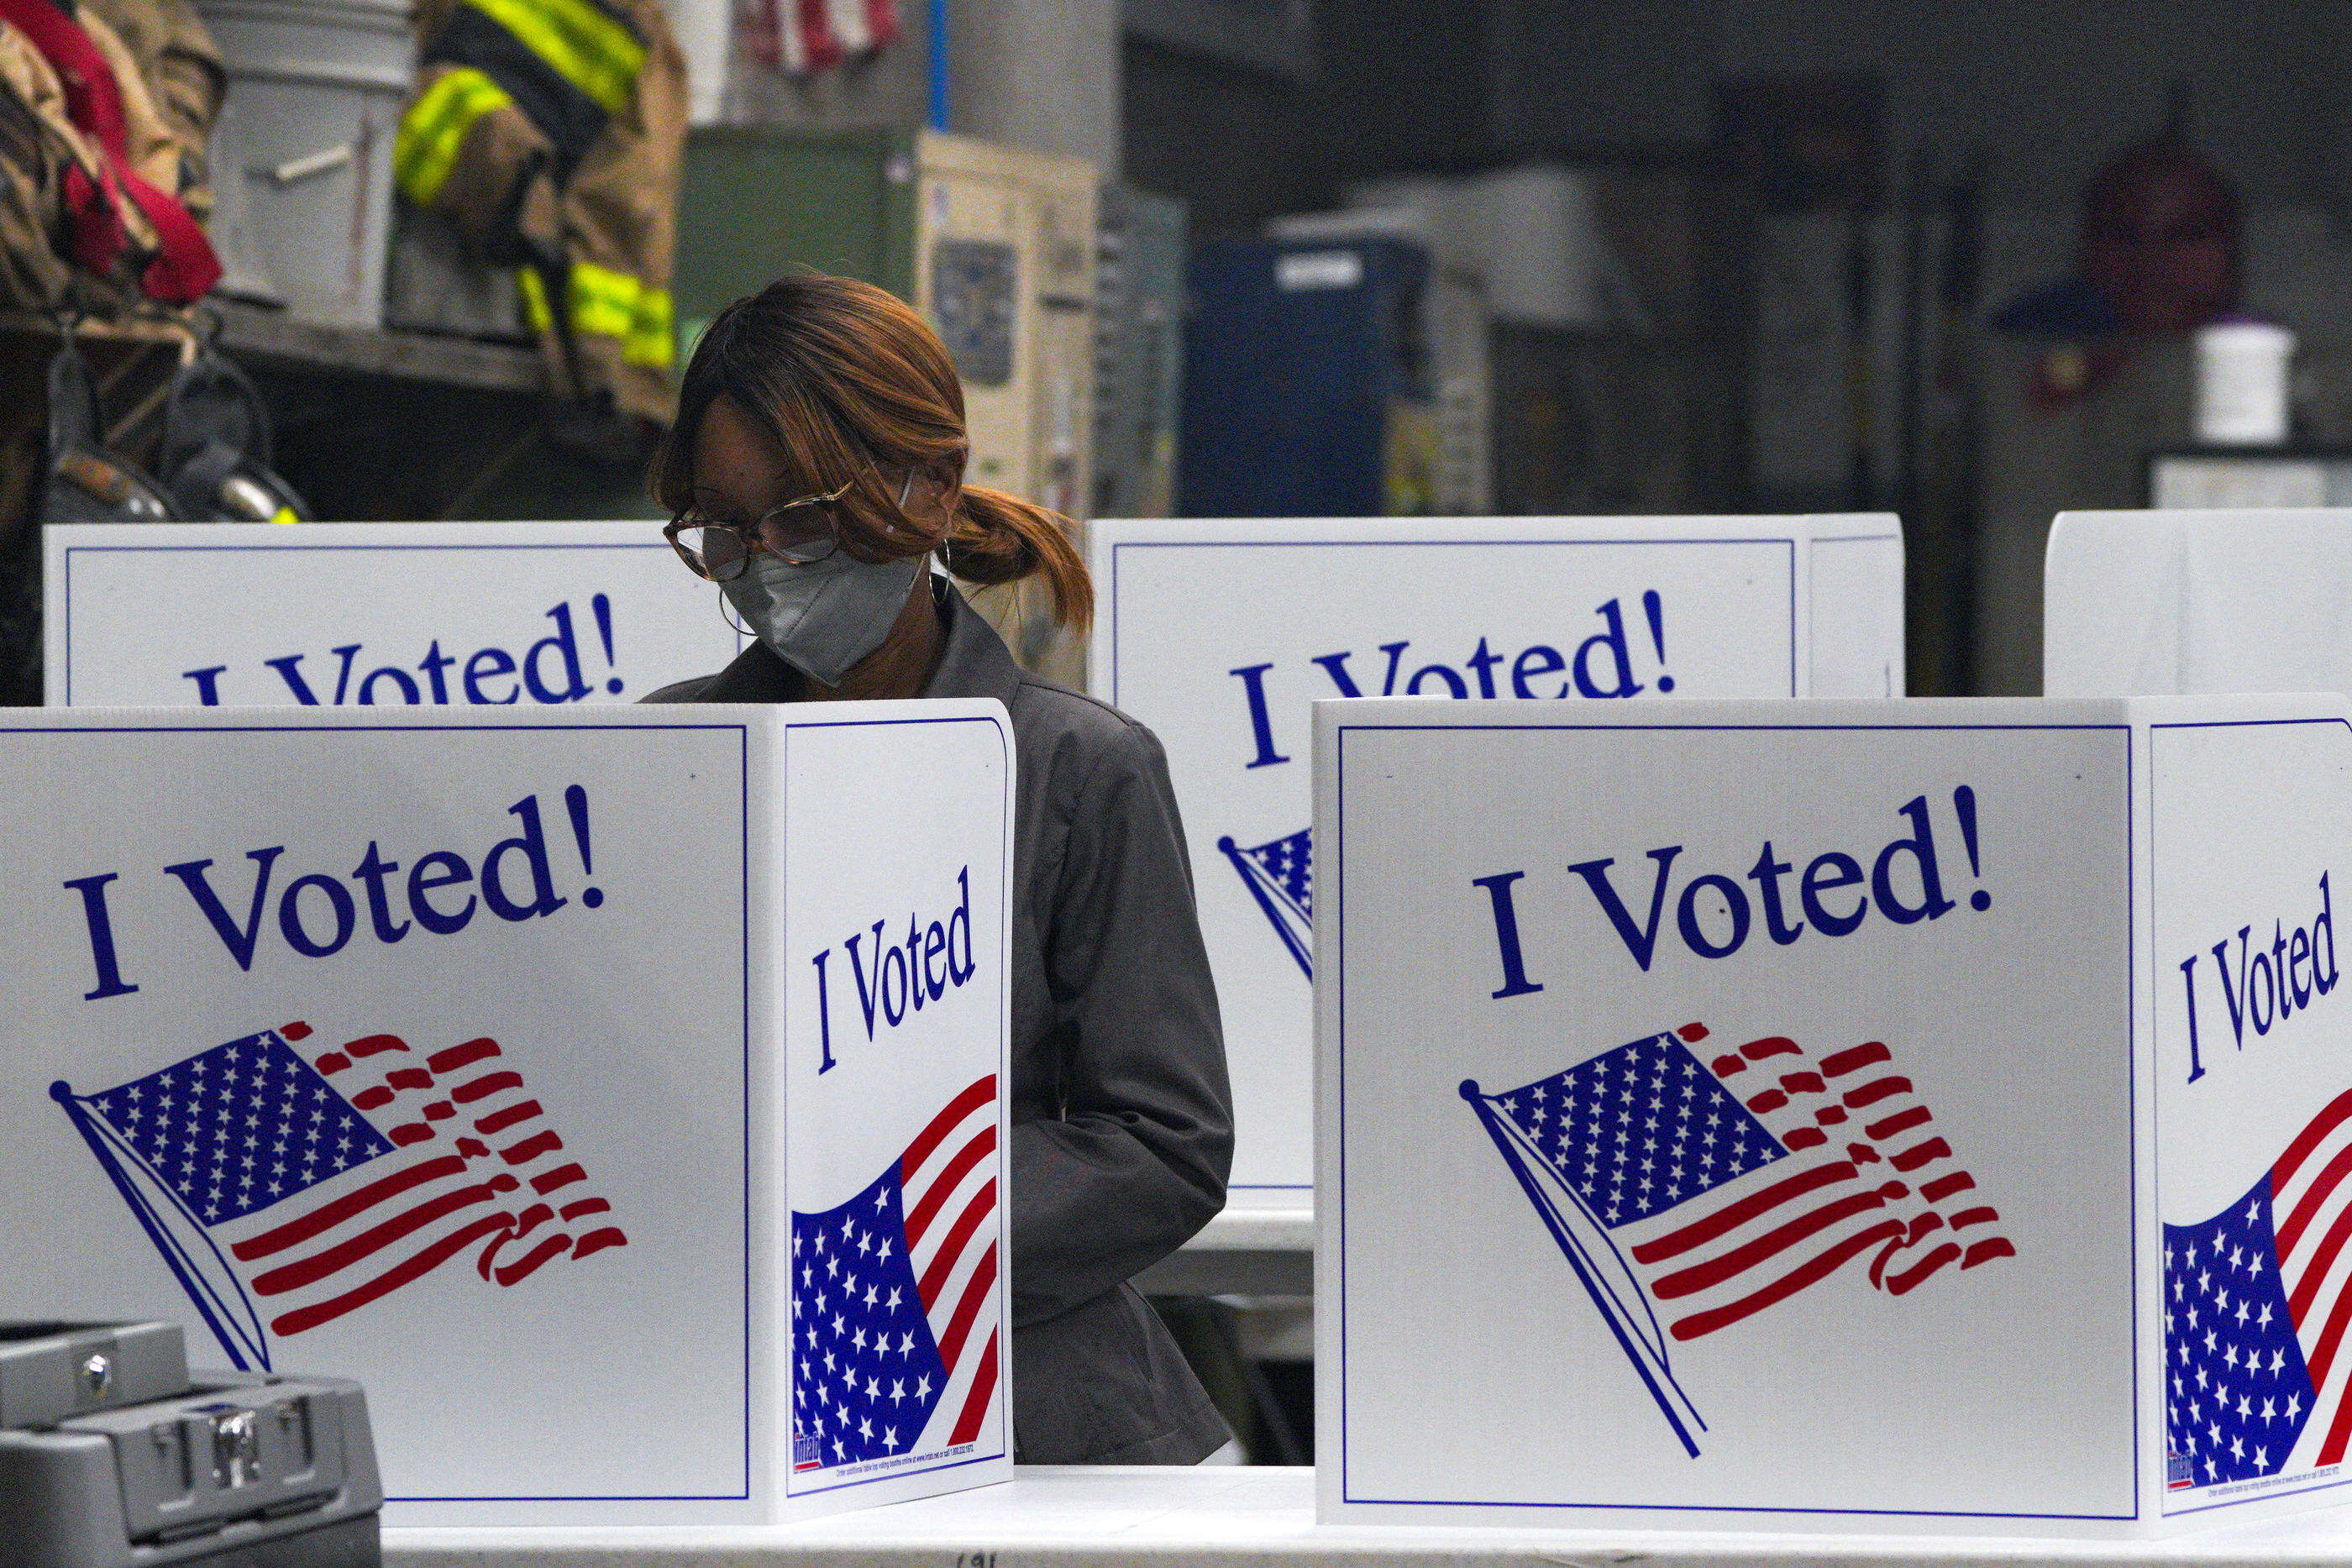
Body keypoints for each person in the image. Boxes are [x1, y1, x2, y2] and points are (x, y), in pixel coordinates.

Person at [643, 273, 1236, 1465]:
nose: (763, 566)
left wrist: (886, 1240)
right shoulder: (674, 761)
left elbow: (1166, 1142)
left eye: (800, 521)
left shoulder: (1079, 772)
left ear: (927, 486)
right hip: (733, 1394)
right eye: (724, 531)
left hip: (1038, 1405)